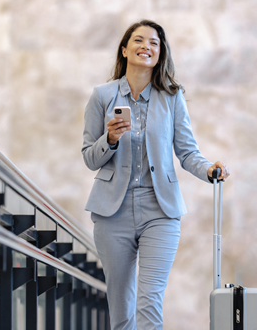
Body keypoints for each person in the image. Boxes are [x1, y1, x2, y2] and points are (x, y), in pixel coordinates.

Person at [82, 19, 230, 330]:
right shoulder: (102, 96)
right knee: (121, 308)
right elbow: (89, 158)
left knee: (150, 301)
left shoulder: (172, 97)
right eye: (138, 40)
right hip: (112, 213)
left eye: (154, 43)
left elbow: (187, 152)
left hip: (160, 211)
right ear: (125, 49)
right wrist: (109, 139)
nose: (146, 46)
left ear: (160, 54)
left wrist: (208, 169)